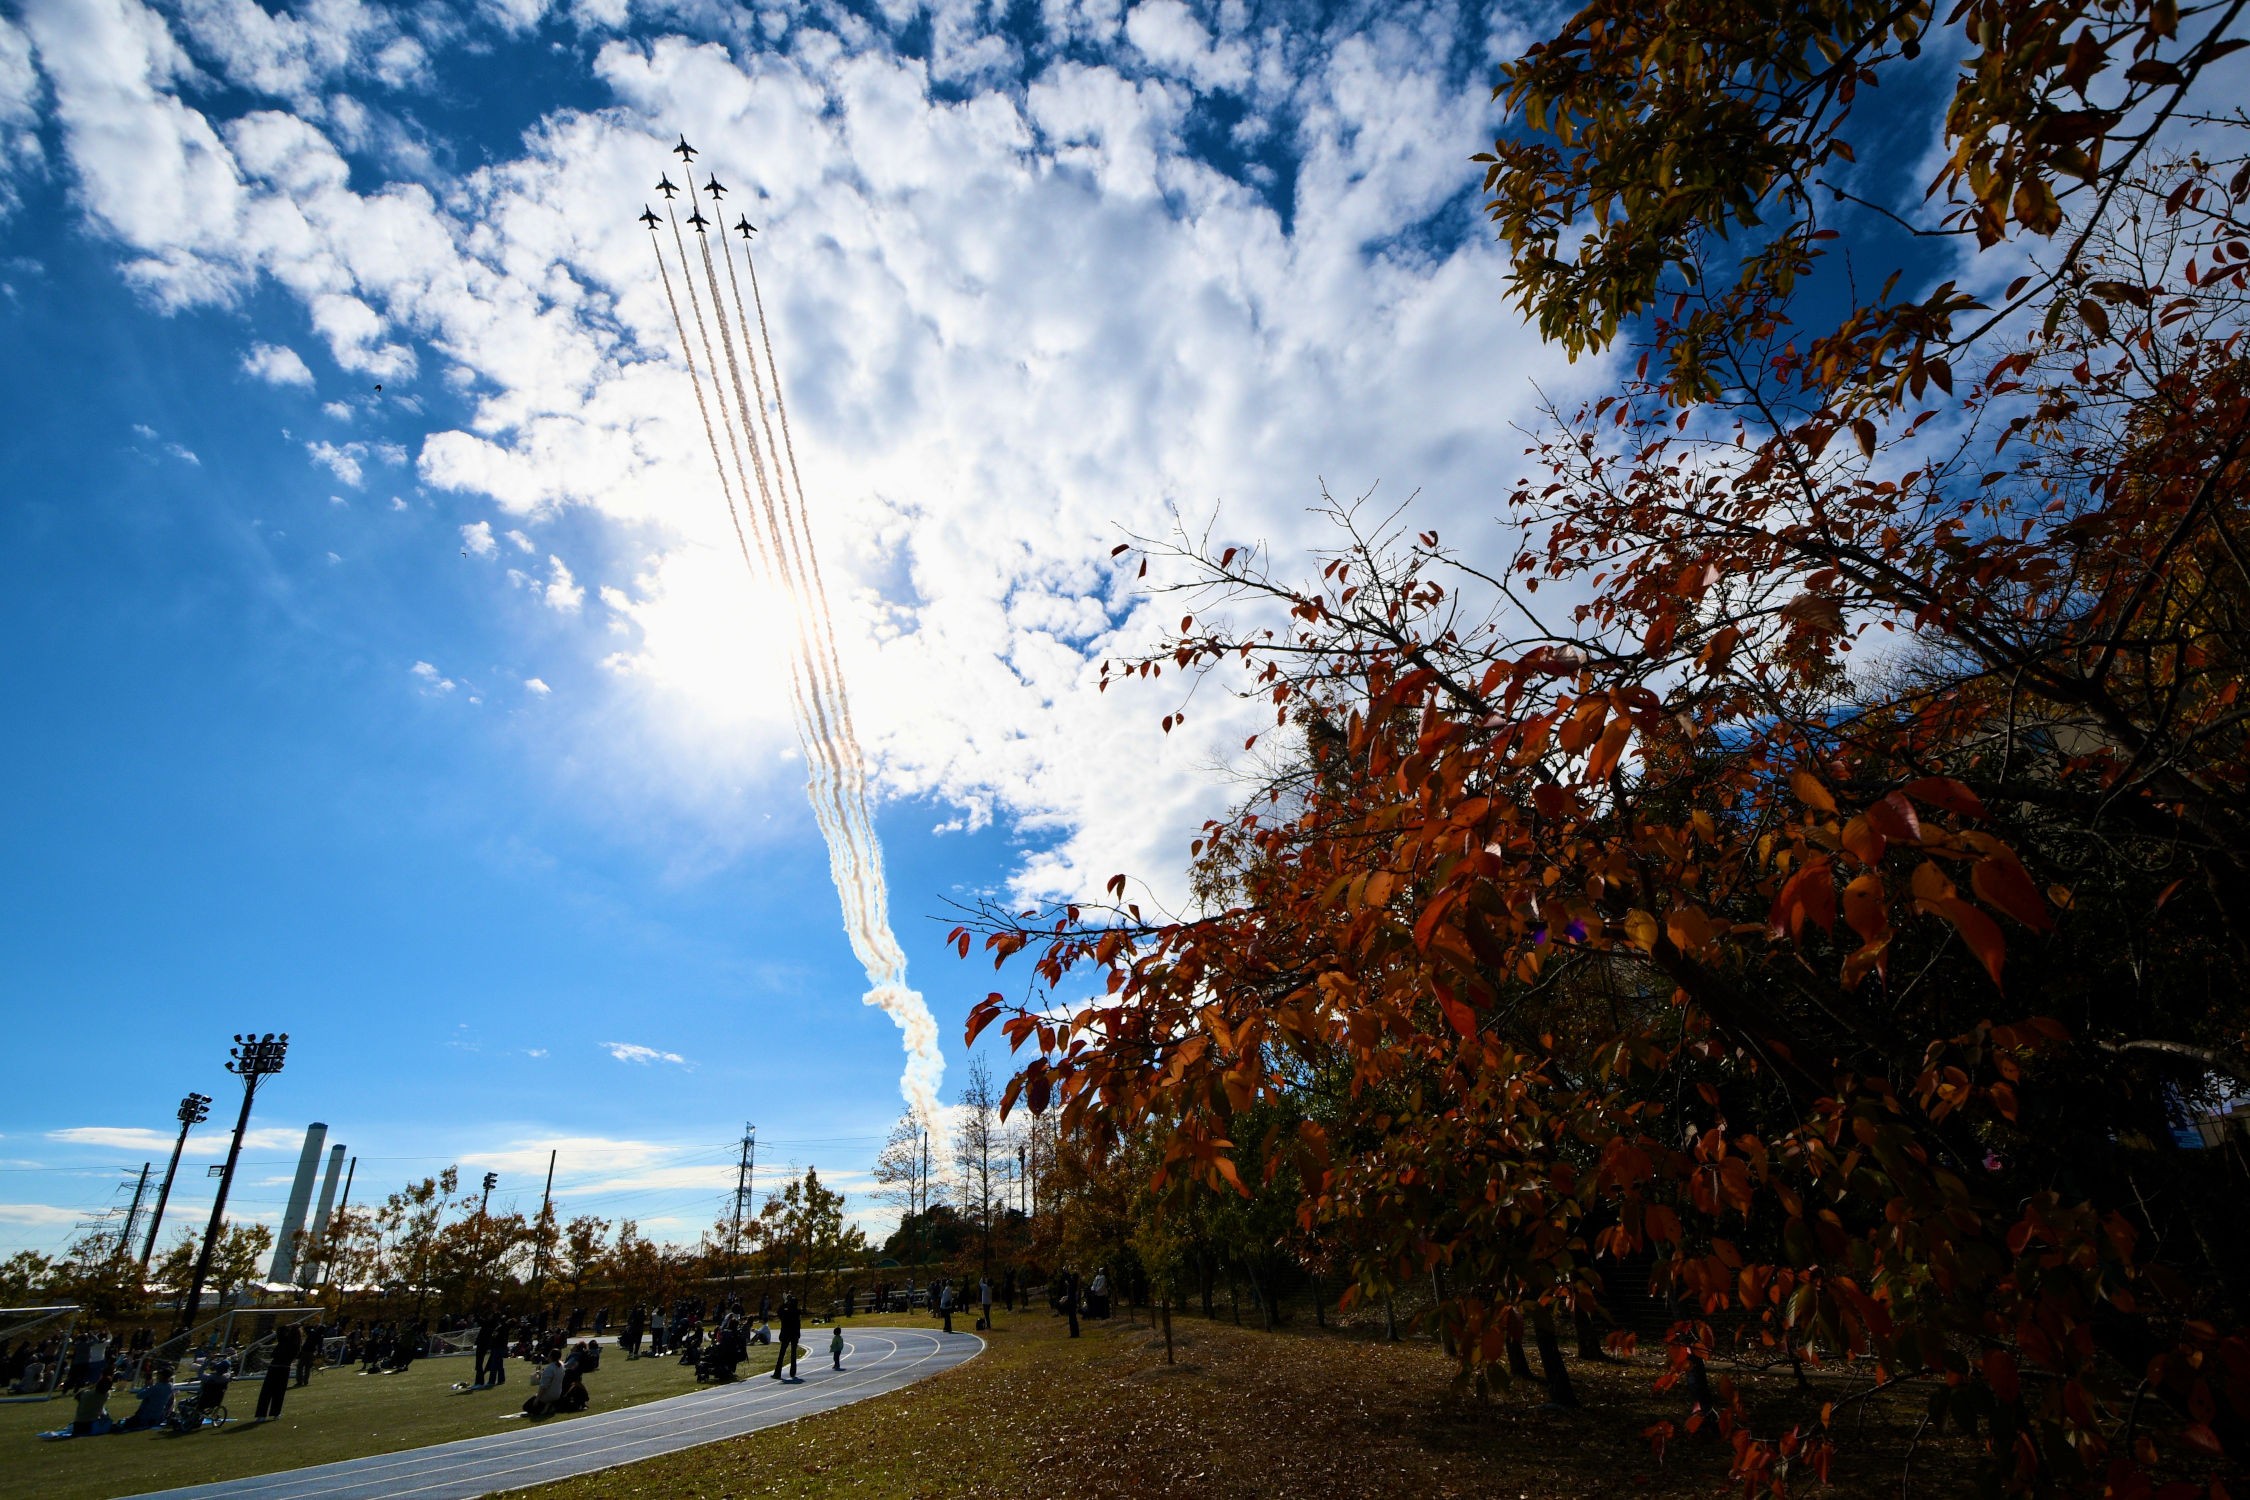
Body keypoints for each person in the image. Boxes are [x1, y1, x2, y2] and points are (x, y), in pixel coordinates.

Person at [256, 1326, 301, 1421]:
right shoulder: (296, 1344)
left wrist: (289, 1326)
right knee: (279, 1392)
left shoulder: (284, 1341)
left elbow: (280, 1331)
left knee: (266, 1392)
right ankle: (276, 1413)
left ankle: (261, 1415)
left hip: (275, 1367)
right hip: (284, 1369)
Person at [771, 1294, 801, 1383]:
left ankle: (777, 1372)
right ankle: (793, 1372)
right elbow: (798, 1324)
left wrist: (785, 1303)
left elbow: (779, 1312)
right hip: (794, 1334)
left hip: (786, 1334)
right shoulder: (797, 1312)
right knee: (793, 1353)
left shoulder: (786, 1312)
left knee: (782, 1354)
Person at [525, 1351, 565, 1418]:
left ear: (551, 1357)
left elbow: (544, 1387)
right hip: (558, 1394)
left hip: (548, 1395)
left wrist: (537, 1399)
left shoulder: (549, 1368)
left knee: (527, 1407)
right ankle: (550, 1405)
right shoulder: (561, 1365)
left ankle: (548, 1406)